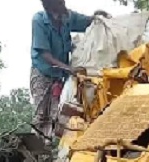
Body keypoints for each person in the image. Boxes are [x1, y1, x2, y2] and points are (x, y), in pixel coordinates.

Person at [31, 0, 110, 135]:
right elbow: (45, 54)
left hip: (59, 75)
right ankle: (37, 151)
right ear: (51, 8)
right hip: (42, 73)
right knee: (41, 115)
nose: (64, 6)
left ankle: (49, 149)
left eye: (63, 2)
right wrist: (68, 68)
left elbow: (86, 22)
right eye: (60, 4)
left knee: (57, 115)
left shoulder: (68, 17)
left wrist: (96, 16)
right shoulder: (39, 20)